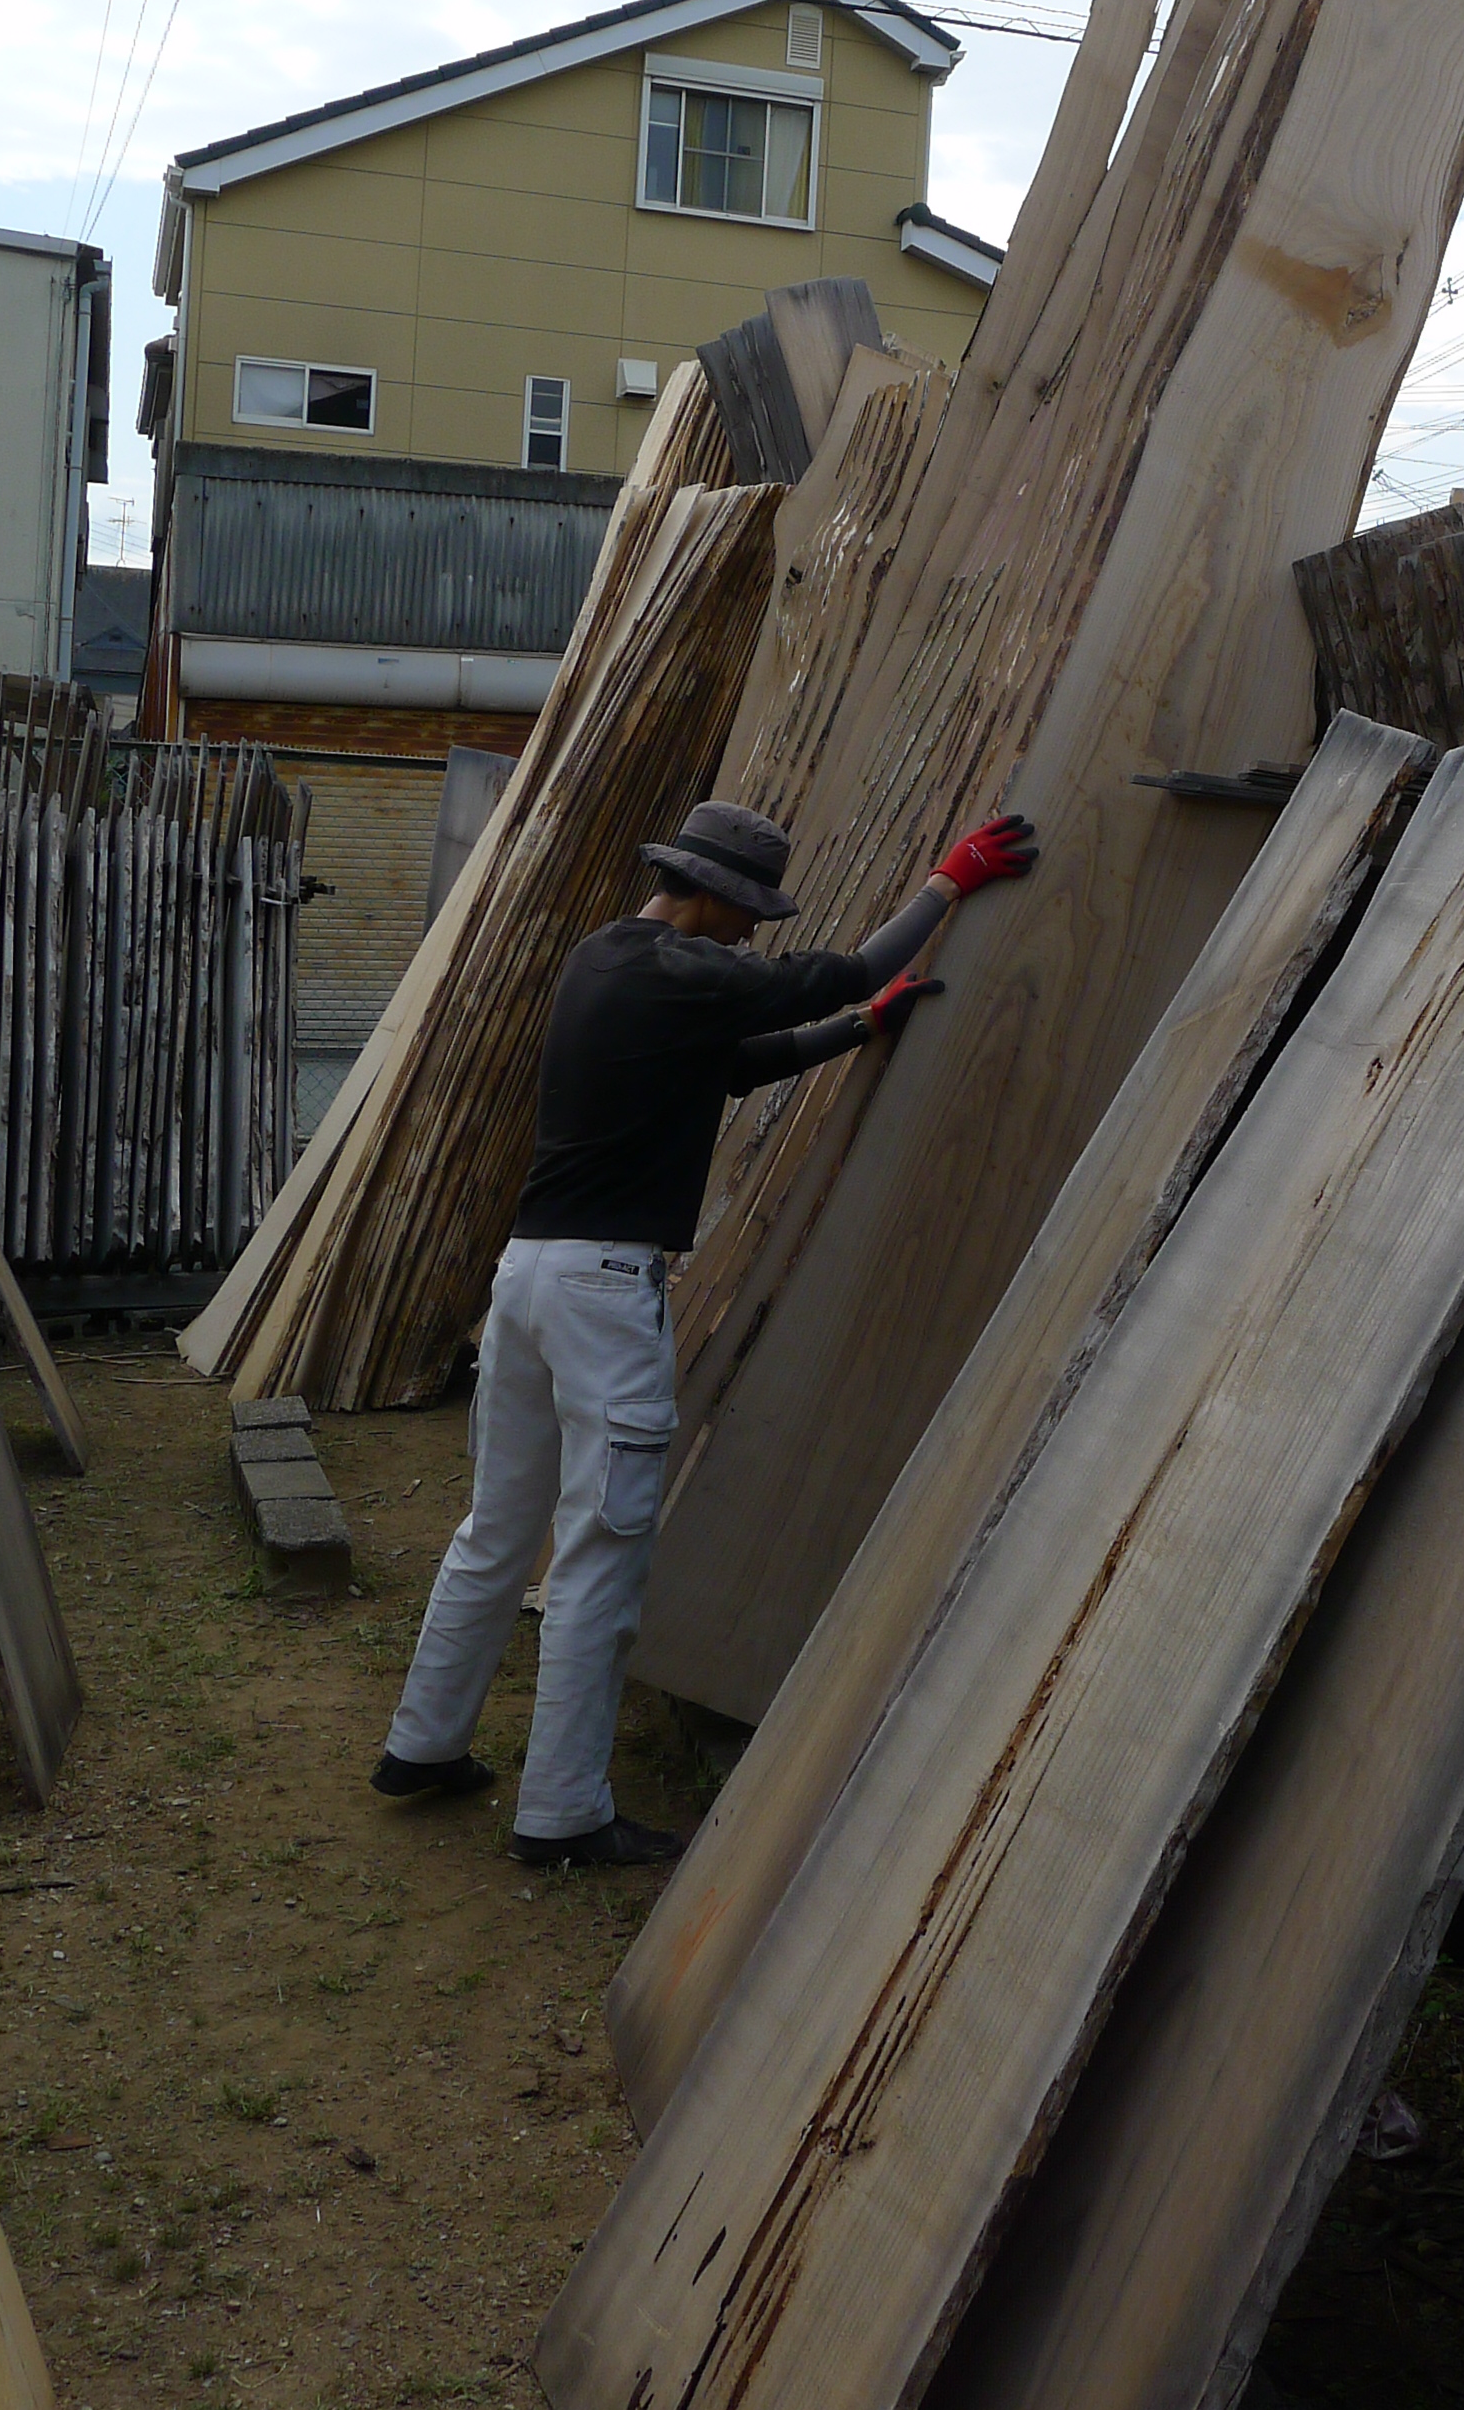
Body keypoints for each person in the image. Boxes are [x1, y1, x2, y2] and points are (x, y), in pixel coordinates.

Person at [371, 796, 1038, 1867]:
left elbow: (733, 1064)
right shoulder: (688, 969)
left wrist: (857, 1031)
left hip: (528, 1276)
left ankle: (423, 1744)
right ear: (717, 899)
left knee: (495, 1527)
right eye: (749, 917)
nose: (753, 936)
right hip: (602, 1291)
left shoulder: (608, 960)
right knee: (600, 1551)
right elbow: (842, 966)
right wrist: (947, 884)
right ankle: (562, 1812)